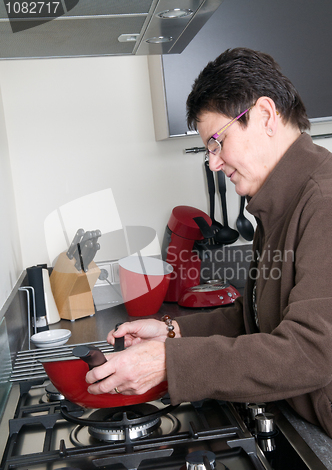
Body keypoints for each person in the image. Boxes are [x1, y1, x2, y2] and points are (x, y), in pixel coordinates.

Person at [86, 47, 332, 437]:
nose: (214, 162)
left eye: (217, 142)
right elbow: (258, 318)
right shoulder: (281, 199)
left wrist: (170, 362)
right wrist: (172, 332)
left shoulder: (324, 201)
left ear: (266, 115)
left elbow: (310, 352)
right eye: (208, 149)